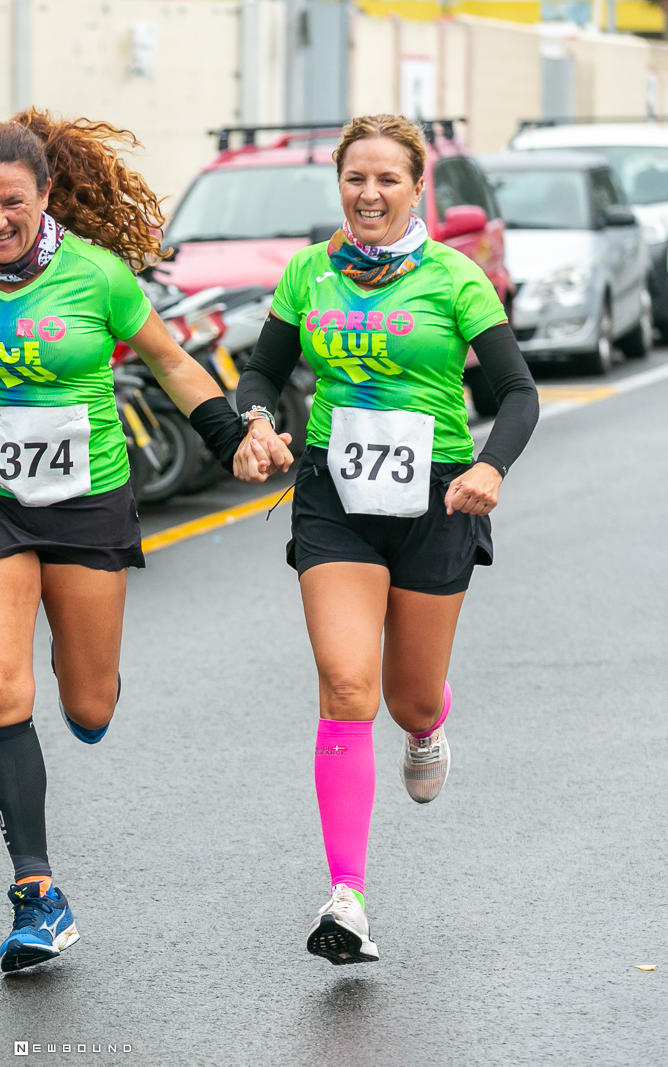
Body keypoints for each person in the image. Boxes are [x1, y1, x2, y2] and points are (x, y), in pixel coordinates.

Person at [0, 110, 252, 973]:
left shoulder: (97, 274)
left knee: (88, 705)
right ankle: (37, 893)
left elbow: (170, 360)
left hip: (86, 500)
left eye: (12, 201)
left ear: (45, 195)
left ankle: (81, 675)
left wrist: (231, 438)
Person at [233, 114, 538, 965]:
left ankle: (429, 721)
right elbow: (264, 369)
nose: (369, 194)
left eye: (387, 180)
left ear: (416, 188)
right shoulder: (310, 273)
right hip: (334, 492)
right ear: (340, 184)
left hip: (438, 496)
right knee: (344, 684)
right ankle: (348, 897)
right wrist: (256, 417)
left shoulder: (454, 278)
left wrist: (492, 467)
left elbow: (518, 392)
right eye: (355, 179)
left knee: (407, 697)